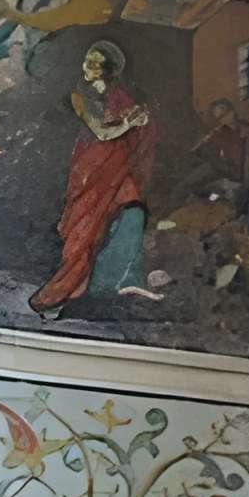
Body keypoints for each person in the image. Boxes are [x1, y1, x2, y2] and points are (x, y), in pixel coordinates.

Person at [31, 40, 158, 313]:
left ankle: (120, 279)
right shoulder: (81, 95)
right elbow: (102, 131)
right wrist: (128, 122)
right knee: (83, 227)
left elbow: (138, 123)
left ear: (107, 70)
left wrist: (141, 120)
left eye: (94, 63)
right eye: (87, 60)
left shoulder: (120, 96)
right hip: (91, 166)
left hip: (118, 164)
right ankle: (66, 289)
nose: (86, 67)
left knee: (132, 211)